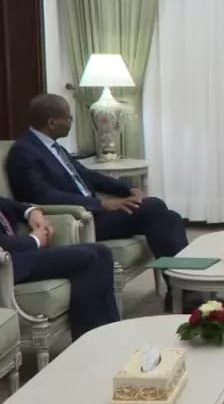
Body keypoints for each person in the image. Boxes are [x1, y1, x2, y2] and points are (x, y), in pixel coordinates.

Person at [5, 94, 192, 312]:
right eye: (69, 118)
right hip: (79, 220)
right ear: (52, 122)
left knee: (169, 217)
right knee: (154, 207)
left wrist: (127, 189)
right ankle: (185, 291)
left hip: (95, 213)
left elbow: (88, 176)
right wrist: (101, 205)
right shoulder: (23, 152)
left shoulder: (53, 147)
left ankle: (183, 290)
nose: (71, 123)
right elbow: (43, 196)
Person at [0, 196, 119, 338]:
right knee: (88, 258)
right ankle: (89, 342)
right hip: (8, 264)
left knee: (102, 252)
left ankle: (110, 336)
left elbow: (10, 205)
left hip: (19, 255)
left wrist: (32, 211)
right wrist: (34, 240)